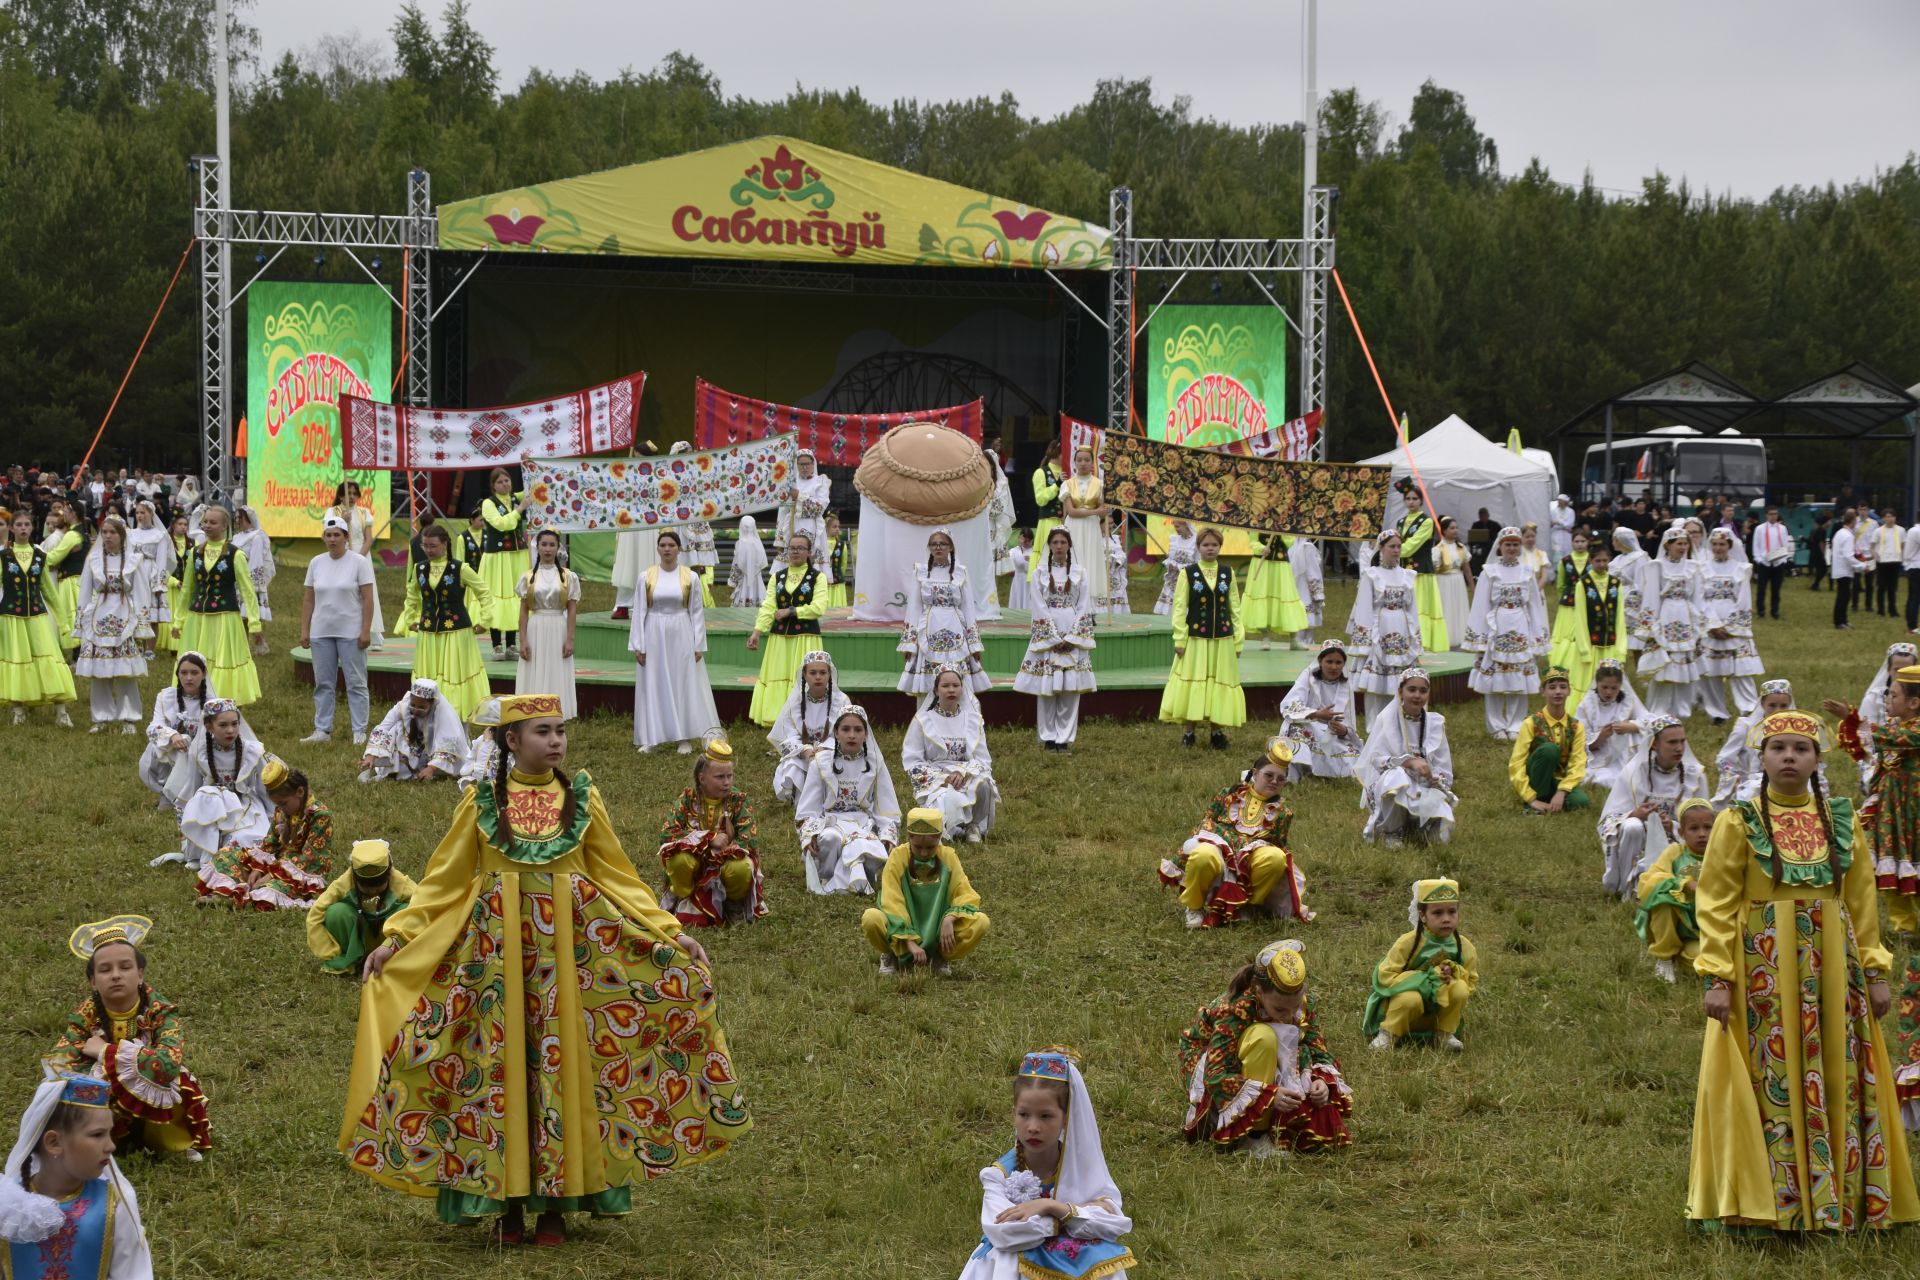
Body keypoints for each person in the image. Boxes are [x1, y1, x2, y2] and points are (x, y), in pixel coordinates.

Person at [341, 694, 749, 1244]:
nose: (556, 741)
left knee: (565, 1065)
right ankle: (506, 1205)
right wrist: (398, 937)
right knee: (499, 1067)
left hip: (571, 958)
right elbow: (442, 879)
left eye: (560, 731)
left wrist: (668, 931)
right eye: (542, 732)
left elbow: (619, 874)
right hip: (495, 958)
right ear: (511, 741)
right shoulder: (482, 801)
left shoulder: (581, 797)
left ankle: (559, 1203)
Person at [1685, 709, 1920, 1234]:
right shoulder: (1737, 822)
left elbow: (1860, 903)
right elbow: (1718, 902)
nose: (1789, 756)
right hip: (1763, 970)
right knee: (1771, 1072)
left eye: (1801, 748)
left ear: (1817, 759)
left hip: (1834, 970)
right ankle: (1773, 1202)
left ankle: (1841, 1198)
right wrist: (1718, 976)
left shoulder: (1842, 819)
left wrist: (1876, 971)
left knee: (1837, 1068)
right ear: (1761, 757)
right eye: (1778, 748)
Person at [956, 1048, 1134, 1280]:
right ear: (1013, 1114)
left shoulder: (1081, 1168)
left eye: (1046, 1116)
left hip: (1074, 1259)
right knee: (1007, 1256)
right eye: (1024, 1114)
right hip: (1015, 1267)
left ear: (1066, 1119)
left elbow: (1113, 1223)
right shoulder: (998, 1174)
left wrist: (1050, 1207)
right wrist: (1068, 1220)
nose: (1033, 1127)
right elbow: (1005, 1233)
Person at [47, 915, 212, 1157]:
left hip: (151, 1099)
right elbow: (61, 1062)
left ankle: (165, 1142)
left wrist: (105, 1052)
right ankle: (108, 1143)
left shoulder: (160, 1011)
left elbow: (167, 1062)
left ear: (140, 974)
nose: (116, 975)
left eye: (125, 967)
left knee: (176, 1081)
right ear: (93, 982)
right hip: (106, 1103)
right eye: (105, 969)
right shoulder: (86, 1016)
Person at [1176, 940, 1350, 1157]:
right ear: (1258, 991)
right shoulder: (1235, 1009)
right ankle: (1253, 1135)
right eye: (1279, 1009)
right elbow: (1215, 1076)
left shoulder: (1303, 1003)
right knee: (1264, 1037)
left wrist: (1320, 1081)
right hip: (1222, 1070)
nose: (1288, 1015)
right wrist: (1267, 1097)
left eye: (1294, 1008)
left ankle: (1275, 1125)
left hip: (1275, 1064)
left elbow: (1316, 1047)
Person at [0, 1073, 154, 1280]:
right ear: (54, 1142)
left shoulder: (115, 1202)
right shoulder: (7, 1204)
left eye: (109, 1133)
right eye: (97, 1135)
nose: (111, 1146)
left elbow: (135, 1274)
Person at [1159, 739, 1313, 929]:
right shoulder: (1229, 794)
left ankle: (1248, 905)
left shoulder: (1282, 813)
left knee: (1276, 857)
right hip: (1219, 850)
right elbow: (1206, 823)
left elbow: (1277, 843)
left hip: (1250, 860)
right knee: (1203, 855)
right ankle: (1195, 906)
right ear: (1255, 773)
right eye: (1269, 775)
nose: (1274, 781)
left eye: (1280, 779)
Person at [1829, 669, 1920, 939]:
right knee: (1887, 864)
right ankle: (1904, 926)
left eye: (1893, 695)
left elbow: (1892, 741)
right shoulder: (1892, 727)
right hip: (1891, 811)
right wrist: (1850, 726)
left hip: (1914, 812)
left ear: (1914, 703)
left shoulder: (1914, 731)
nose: (1886, 699)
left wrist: (1854, 719)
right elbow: (1864, 747)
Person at [192, 754, 332, 911]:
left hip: (301, 874)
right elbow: (270, 843)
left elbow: (309, 858)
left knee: (269, 891)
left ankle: (238, 897)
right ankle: (229, 893)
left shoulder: (320, 815)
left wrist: (272, 875)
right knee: (227, 854)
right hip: (276, 865)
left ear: (300, 792)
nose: (281, 808)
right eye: (278, 804)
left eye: (284, 803)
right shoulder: (282, 811)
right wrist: (257, 868)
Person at [860, 807, 989, 976]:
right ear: (909, 838)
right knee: (871, 918)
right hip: (903, 931)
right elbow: (892, 901)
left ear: (940, 839)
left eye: (930, 847)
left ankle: (939, 956)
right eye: (918, 847)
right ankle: (893, 952)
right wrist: (908, 940)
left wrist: (949, 919)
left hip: (937, 931)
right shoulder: (898, 857)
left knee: (981, 921)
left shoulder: (948, 857)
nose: (924, 852)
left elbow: (964, 893)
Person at [656, 739, 767, 928]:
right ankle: (684, 901)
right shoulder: (687, 800)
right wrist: (708, 839)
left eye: (729, 776)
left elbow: (750, 838)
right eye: (720, 777)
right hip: (695, 863)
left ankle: (733, 907)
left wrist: (733, 847)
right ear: (702, 778)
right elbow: (667, 834)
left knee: (742, 867)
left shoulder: (738, 800)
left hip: (726, 862)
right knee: (679, 860)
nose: (726, 783)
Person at [629, 530, 722, 753]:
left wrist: (698, 644)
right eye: (663, 545)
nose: (667, 549)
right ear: (658, 548)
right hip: (654, 632)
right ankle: (653, 736)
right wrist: (638, 645)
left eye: (671, 545)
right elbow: (640, 611)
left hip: (681, 632)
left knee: (683, 681)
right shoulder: (646, 576)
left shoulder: (690, 577)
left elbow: (697, 611)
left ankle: (684, 737)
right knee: (654, 680)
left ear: (679, 549)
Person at [1596, 717, 1706, 900]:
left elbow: (1706, 822)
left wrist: (1673, 826)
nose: (1679, 748)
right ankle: (1626, 889)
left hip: (1679, 840)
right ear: (1654, 744)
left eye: (1682, 741)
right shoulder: (1634, 772)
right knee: (1632, 826)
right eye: (1672, 742)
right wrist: (1634, 814)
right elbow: (1608, 819)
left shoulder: (1695, 776)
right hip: (1641, 838)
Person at [393, 522, 494, 722]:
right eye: (425, 546)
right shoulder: (419, 568)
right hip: (428, 633)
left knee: (455, 674)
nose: (428, 550)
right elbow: (412, 595)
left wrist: (485, 620)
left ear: (445, 544)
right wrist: (411, 618)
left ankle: (455, 716)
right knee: (428, 675)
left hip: (457, 632)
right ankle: (429, 716)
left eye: (433, 546)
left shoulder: (460, 568)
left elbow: (484, 592)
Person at [795, 705, 901, 895]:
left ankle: (850, 878)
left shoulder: (876, 763)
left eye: (858, 730)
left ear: (866, 734)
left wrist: (887, 835)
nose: (852, 735)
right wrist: (810, 833)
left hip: (863, 826)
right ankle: (831, 876)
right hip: (830, 822)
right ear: (836, 733)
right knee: (830, 838)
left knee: (868, 846)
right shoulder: (821, 763)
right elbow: (809, 807)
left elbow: (886, 807)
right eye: (845, 729)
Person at [1363, 878, 1478, 1051]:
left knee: (1459, 988)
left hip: (1437, 1007)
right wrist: (1425, 979)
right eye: (1437, 913)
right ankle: (1389, 1033)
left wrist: (1453, 973)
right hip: (1407, 1006)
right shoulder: (1407, 942)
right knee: (1410, 999)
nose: (1446, 919)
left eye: (1452, 912)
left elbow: (1470, 980)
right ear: (1422, 915)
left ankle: (1443, 1034)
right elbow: (1384, 976)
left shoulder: (1463, 946)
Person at [157, 699, 269, 872]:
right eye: (223, 725)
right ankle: (204, 852)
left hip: (244, 805)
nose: (230, 730)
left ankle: (228, 854)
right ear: (209, 727)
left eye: (234, 724)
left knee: (247, 838)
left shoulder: (251, 751)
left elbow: (264, 788)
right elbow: (192, 789)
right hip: (212, 808)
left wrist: (273, 818)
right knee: (207, 793)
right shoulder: (200, 753)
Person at [1161, 527, 1245, 750]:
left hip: (1223, 639)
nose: (1210, 548)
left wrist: (1239, 639)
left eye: (1214, 545)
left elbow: (1234, 607)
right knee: (1193, 684)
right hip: (1196, 639)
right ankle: (1189, 732)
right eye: (1206, 545)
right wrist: (1180, 638)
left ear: (1220, 547)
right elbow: (1179, 608)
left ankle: (1216, 732)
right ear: (1198, 547)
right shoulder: (1187, 573)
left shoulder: (1228, 573)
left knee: (1218, 684)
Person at [1013, 528, 1096, 753]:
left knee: (1070, 689)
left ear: (1069, 546)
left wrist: (1072, 637)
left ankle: (1064, 739)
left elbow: (1084, 605)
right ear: (1049, 546)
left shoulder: (1080, 572)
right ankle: (1048, 738)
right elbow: (1038, 605)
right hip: (1048, 632)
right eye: (1055, 542)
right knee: (1047, 688)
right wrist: (1052, 638)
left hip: (1071, 629)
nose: (1059, 546)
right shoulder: (1040, 572)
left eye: (1063, 542)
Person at [1463, 526, 1549, 739]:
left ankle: (1515, 723)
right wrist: (1480, 637)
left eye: (1515, 544)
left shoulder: (1527, 572)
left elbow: (1535, 605)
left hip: (1520, 624)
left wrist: (1538, 634)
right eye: (1507, 544)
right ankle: (1496, 725)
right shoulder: (1489, 572)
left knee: (1518, 676)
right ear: (1500, 547)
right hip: (1497, 626)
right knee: (1494, 678)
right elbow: (1480, 605)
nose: (1511, 548)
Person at [171, 506, 262, 706]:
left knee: (221, 658)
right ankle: (195, 697)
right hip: (197, 617)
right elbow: (187, 588)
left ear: (224, 526)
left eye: (213, 522)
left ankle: (220, 699)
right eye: (205, 522)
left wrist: (254, 623)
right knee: (197, 658)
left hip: (224, 616)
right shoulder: (194, 553)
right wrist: (178, 620)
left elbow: (247, 590)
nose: (207, 526)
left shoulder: (234, 554)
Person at [1355, 668, 1456, 846]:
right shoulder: (1387, 719)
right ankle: (1391, 831)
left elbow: (1443, 765)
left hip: (1423, 784)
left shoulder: (1435, 723)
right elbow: (1377, 759)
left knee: (1440, 839)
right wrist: (1407, 762)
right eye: (1412, 689)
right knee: (1397, 777)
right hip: (1391, 784)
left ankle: (1417, 826)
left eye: (1423, 691)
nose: (1417, 695)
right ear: (1401, 691)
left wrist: (1435, 779)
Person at [299, 514, 375, 746]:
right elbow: (309, 599)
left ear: (346, 537)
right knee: (323, 682)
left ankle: (359, 730)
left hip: (350, 631)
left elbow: (368, 599)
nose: (332, 539)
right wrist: (305, 629)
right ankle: (322, 729)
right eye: (328, 535)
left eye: (337, 535)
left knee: (356, 682)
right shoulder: (316, 562)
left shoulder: (359, 562)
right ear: (323, 537)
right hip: (321, 631)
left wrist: (365, 631)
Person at [902, 666, 999, 842]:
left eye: (956, 685)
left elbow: (983, 758)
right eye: (945, 686)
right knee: (946, 798)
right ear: (936, 690)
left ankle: (973, 825)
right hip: (937, 774)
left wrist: (964, 773)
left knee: (984, 783)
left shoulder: (973, 720)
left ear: (962, 688)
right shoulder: (922, 720)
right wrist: (942, 778)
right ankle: (953, 826)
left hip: (966, 772)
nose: (951, 690)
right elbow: (912, 761)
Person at [0, 508, 76, 727]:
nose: (23, 528)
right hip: (11, 617)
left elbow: (49, 590)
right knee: (17, 660)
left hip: (37, 615)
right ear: (12, 528)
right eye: (19, 525)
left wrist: (63, 621)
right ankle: (18, 708)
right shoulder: (4, 557)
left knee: (50, 658)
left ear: (32, 527)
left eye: (27, 524)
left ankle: (61, 711)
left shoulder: (40, 556)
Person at [746, 532, 827, 727]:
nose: (795, 552)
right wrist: (757, 632)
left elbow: (819, 607)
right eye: (792, 548)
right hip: (779, 638)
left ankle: (806, 719)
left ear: (808, 552)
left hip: (806, 637)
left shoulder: (817, 577)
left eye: (800, 548)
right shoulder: (777, 577)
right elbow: (768, 606)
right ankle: (776, 718)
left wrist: (791, 611)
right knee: (778, 676)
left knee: (802, 676)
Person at [306, 838, 418, 977]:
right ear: (354, 876)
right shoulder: (343, 884)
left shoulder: (402, 885)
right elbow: (315, 914)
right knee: (336, 912)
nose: (372, 891)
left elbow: (425, 906)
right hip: (360, 935)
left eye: (378, 885)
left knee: (407, 910)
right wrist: (329, 952)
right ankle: (352, 959)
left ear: (389, 874)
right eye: (366, 886)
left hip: (388, 942)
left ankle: (394, 958)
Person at [1633, 798, 1716, 983]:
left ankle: (1684, 954)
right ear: (1681, 832)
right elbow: (1649, 882)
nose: (1702, 834)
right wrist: (1684, 884)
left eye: (1708, 827)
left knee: (1708, 962)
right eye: (1694, 829)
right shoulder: (1674, 852)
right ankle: (1665, 956)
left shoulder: (1723, 855)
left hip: (1711, 929)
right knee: (1663, 898)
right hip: (1679, 923)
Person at [1346, 528, 1424, 723]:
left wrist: (1415, 637)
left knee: (1400, 676)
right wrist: (1364, 642)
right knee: (1376, 680)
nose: (1396, 550)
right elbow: (1363, 607)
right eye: (1392, 547)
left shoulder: (1407, 576)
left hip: (1402, 629)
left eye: (1398, 546)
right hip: (1379, 629)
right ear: (1381, 548)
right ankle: (1375, 724)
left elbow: (1412, 608)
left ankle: (1400, 720)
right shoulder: (1372, 575)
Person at [1635, 526, 1707, 716]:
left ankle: (1682, 708)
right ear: (1668, 544)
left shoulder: (1693, 567)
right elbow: (1651, 595)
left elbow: (1697, 596)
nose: (1683, 547)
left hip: (1685, 614)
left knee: (1684, 662)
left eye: (1685, 543)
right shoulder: (1656, 566)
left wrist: (1700, 622)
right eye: (1679, 543)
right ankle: (1659, 707)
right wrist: (1650, 624)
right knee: (1664, 663)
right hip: (1665, 613)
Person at [769, 650, 850, 808]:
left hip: (830, 751)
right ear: (805, 675)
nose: (818, 677)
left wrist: (824, 748)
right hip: (803, 754)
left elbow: (845, 732)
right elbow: (789, 734)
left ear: (830, 675)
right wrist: (804, 750)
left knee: (827, 763)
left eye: (822, 672)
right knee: (792, 765)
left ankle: (829, 799)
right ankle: (799, 800)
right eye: (813, 673)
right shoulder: (796, 703)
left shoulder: (842, 701)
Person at [1698, 529, 1763, 722]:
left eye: (1722, 545)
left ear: (1729, 546)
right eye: (1715, 545)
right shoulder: (1701, 568)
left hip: (1733, 624)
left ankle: (1749, 708)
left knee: (1741, 669)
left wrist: (1732, 627)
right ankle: (1716, 712)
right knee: (1710, 672)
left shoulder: (1741, 568)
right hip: (1710, 623)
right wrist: (1712, 625)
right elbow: (1699, 598)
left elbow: (1744, 599)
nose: (1718, 548)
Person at [515, 529, 580, 722]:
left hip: (558, 625)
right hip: (536, 626)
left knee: (556, 666)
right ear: (538, 547)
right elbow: (524, 610)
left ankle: (556, 710)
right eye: (544, 545)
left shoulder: (568, 576)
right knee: (535, 665)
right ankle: (533, 710)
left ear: (558, 548)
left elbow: (572, 609)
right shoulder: (528, 577)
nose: (548, 549)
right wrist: (523, 639)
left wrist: (569, 639)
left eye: (552, 545)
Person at [1279, 639, 1363, 781]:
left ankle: (1319, 771)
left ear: (1344, 664)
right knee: (1296, 728)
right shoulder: (1308, 677)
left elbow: (1349, 722)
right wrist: (1317, 714)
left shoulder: (1346, 685)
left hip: (1331, 733)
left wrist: (1343, 730)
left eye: (1338, 663)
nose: (1334, 667)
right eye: (1329, 662)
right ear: (1320, 661)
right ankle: (1302, 769)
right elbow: (1289, 705)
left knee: (1354, 754)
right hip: (1309, 724)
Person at [1509, 667, 1590, 813]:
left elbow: (1578, 762)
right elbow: (1516, 763)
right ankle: (1535, 802)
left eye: (1563, 687)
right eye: (1552, 687)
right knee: (1549, 750)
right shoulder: (1531, 723)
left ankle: (1553, 801)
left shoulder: (1576, 726)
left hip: (1560, 780)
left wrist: (1562, 791)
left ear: (1569, 691)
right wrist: (1530, 797)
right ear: (1543, 691)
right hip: (1536, 778)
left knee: (1581, 802)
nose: (1558, 692)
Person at [360, 679, 470, 783]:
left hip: (434, 751)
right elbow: (384, 726)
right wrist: (371, 755)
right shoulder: (403, 704)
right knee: (394, 729)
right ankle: (394, 769)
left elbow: (449, 743)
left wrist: (431, 769)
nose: (416, 710)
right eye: (413, 705)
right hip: (414, 747)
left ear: (432, 703)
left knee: (446, 766)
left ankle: (427, 770)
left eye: (421, 707)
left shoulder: (444, 713)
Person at [1712, 679, 1800, 807]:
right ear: (1762, 703)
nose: (1777, 711)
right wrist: (1735, 779)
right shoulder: (1747, 727)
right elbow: (1724, 759)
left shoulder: (1797, 731)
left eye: (1783, 706)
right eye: (1772, 705)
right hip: (1751, 787)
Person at [1562, 542, 1627, 707]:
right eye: (1598, 561)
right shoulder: (1583, 584)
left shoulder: (1615, 583)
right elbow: (1580, 617)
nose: (1602, 564)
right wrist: (1584, 649)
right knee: (1587, 682)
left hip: (1610, 644)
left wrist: (1620, 648)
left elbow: (1619, 616)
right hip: (1590, 644)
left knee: (1610, 680)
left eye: (1605, 560)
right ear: (1591, 561)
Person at [476, 468, 530, 659]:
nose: (505, 484)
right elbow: (501, 524)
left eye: (507, 480)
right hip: (498, 557)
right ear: (493, 486)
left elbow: (536, 485)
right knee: (498, 596)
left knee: (515, 597)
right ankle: (496, 644)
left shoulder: (516, 498)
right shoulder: (488, 504)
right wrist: (519, 510)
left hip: (517, 556)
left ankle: (512, 644)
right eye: (500, 482)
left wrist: (527, 464)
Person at [1391, 477, 1448, 654]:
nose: (1411, 502)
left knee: (1420, 608)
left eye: (1415, 498)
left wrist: (1390, 550)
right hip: (1402, 572)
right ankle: (1404, 643)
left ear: (1421, 501)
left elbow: (1411, 545)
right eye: (1408, 498)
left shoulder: (1427, 522)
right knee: (1404, 607)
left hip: (1420, 572)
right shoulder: (1400, 522)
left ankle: (1421, 645)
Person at [1576, 660, 1648, 791]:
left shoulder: (1628, 701)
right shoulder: (1587, 705)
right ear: (1597, 684)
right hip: (1597, 753)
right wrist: (1600, 737)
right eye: (1604, 687)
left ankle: (1628, 769)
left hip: (1623, 753)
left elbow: (1650, 720)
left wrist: (1631, 726)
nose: (1608, 692)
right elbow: (1579, 739)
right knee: (1595, 777)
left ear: (1620, 685)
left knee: (1637, 733)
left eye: (1614, 688)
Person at [329, 480, 385, 649]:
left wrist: (358, 559)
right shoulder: (333, 512)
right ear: (341, 495)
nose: (352, 497)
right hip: (341, 556)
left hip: (362, 556)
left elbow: (368, 539)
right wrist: (341, 520)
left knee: (367, 593)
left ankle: (372, 633)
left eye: (355, 493)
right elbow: (329, 533)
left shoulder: (363, 513)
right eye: (348, 493)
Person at [1060, 443, 1111, 610]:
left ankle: (1089, 608)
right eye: (1079, 460)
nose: (1083, 463)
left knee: (1090, 561)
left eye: (1087, 460)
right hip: (1073, 527)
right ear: (1074, 462)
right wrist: (1095, 511)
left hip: (1091, 528)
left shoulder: (1099, 484)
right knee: (1074, 559)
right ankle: (1071, 602)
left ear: (1092, 463)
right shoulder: (1067, 484)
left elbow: (1104, 512)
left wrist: (1106, 509)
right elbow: (1071, 511)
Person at [1241, 533, 1308, 650]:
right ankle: (1265, 638)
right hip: (1261, 563)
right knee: (1261, 596)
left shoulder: (1285, 523)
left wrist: (1282, 532)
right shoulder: (1257, 521)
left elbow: (1289, 542)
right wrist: (1261, 548)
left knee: (1286, 597)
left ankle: (1293, 639)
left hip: (1281, 564)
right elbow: (1252, 542)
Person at [776, 449, 834, 584]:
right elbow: (782, 512)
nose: (804, 467)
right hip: (791, 527)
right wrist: (779, 539)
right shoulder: (790, 483)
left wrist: (799, 497)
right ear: (796, 465)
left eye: (807, 464)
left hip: (812, 527)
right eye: (801, 464)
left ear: (813, 464)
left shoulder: (821, 481)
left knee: (811, 563)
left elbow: (820, 507)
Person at [126, 500, 174, 659]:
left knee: (152, 614)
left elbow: (161, 561)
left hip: (150, 573)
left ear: (151, 514)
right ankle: (136, 646)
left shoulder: (160, 535)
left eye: (143, 512)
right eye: (137, 512)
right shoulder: (131, 534)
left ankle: (150, 650)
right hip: (134, 572)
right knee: (134, 610)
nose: (139, 516)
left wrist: (159, 584)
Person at [228, 504, 275, 654]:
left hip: (249, 579)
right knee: (238, 614)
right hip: (235, 578)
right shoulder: (236, 537)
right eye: (235, 518)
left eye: (239, 518)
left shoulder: (257, 537)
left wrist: (252, 584)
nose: (237, 521)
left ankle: (260, 643)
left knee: (251, 615)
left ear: (248, 518)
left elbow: (256, 560)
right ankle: (241, 646)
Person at [1430, 517, 1472, 650]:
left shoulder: (1461, 548)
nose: (1455, 531)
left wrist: (1472, 586)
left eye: (1456, 528)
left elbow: (1466, 569)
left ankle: (1460, 637)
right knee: (1446, 607)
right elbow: (1434, 571)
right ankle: (1446, 638)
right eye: (1452, 528)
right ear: (1444, 530)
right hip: (1444, 581)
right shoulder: (1438, 549)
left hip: (1458, 580)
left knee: (1459, 608)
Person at [1749, 507, 1792, 620]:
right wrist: (1758, 559)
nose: (1773, 516)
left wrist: (1783, 559)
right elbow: (1756, 544)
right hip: (1764, 562)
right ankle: (1761, 611)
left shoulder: (1782, 528)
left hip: (1778, 562)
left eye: (1775, 514)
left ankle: (1775, 611)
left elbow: (1785, 544)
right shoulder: (1760, 528)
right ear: (1766, 515)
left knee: (1776, 589)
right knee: (1761, 589)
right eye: (1771, 514)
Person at [1029, 440, 1065, 561]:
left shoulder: (1068, 473)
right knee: (1048, 555)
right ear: (1057, 453)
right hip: (1049, 521)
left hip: (1067, 521)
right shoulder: (1041, 472)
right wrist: (1057, 485)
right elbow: (1040, 499)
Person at [1153, 519, 1197, 616]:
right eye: (1175, 526)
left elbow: (1198, 564)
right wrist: (1170, 565)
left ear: (1186, 525)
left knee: (1183, 610)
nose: (1176, 529)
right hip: (1172, 580)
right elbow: (1171, 558)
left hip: (1187, 580)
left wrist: (1181, 568)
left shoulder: (1196, 542)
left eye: (1178, 526)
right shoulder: (1174, 540)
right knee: (1168, 609)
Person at [1288, 534, 1324, 648]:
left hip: (1295, 589)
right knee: (1309, 622)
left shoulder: (1291, 548)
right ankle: (1308, 643)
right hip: (1307, 589)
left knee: (1300, 621)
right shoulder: (1308, 547)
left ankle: (1298, 642)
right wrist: (1318, 592)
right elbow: (1313, 571)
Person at [726, 514, 768, 608]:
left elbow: (736, 564)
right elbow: (762, 562)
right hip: (757, 578)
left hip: (743, 579)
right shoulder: (757, 542)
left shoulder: (740, 543)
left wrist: (733, 580)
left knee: (743, 598)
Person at [1830, 509, 1861, 629]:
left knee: (1844, 595)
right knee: (1843, 596)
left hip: (1839, 569)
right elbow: (1848, 556)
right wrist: (1862, 565)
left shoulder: (1840, 533)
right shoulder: (1848, 536)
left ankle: (1843, 620)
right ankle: (1839, 622)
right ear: (1852, 521)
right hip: (1844, 570)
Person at [1874, 508, 1907, 616]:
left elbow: (1903, 545)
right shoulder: (1878, 531)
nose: (1890, 519)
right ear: (1883, 518)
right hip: (1882, 561)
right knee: (1881, 587)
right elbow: (1872, 546)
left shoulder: (1901, 530)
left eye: (1892, 516)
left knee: (1892, 588)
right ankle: (1881, 610)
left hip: (1895, 561)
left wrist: (1902, 558)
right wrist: (1876, 556)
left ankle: (1892, 610)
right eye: (1888, 517)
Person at [821, 510, 853, 609]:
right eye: (834, 527)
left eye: (838, 527)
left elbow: (843, 563)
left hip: (837, 582)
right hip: (823, 583)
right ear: (826, 528)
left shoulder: (841, 545)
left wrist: (839, 575)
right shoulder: (820, 544)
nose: (837, 529)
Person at [1005, 527, 1034, 612]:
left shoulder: (1035, 551)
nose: (1026, 543)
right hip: (1018, 580)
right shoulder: (1014, 551)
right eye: (1024, 540)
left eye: (1029, 541)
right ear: (1020, 538)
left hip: (1031, 581)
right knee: (1018, 599)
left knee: (1029, 601)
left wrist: (1031, 561)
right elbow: (1008, 567)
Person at [1467, 507, 1501, 573]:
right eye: (1481, 516)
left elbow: (1500, 534)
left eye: (1484, 515)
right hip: (1479, 549)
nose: (1483, 517)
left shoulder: (1494, 524)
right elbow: (1471, 539)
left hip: (1491, 547)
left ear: (1488, 515)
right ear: (1479, 517)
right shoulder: (1476, 525)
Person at [1549, 493, 1575, 560]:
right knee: (1556, 551)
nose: (1559, 502)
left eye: (1561, 500)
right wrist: (1557, 524)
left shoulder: (1570, 511)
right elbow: (1551, 522)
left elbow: (1570, 524)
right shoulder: (1554, 511)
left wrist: (1558, 522)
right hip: (1556, 534)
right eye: (1558, 500)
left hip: (1566, 534)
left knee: (1567, 550)